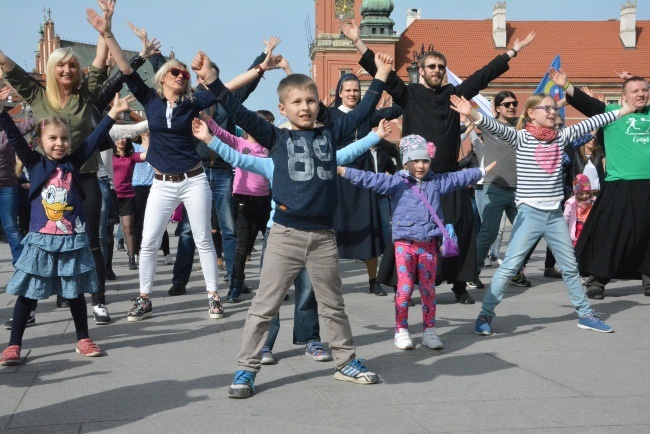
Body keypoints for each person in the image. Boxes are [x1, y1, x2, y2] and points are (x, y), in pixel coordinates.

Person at [200, 49, 394, 398]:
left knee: (332, 303)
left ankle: (345, 361)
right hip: (285, 234)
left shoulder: (330, 135)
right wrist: (213, 82)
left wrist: (379, 76)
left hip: (323, 236)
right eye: (296, 102)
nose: (305, 107)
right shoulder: (276, 138)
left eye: (310, 101)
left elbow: (364, 111)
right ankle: (246, 369)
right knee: (264, 305)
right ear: (283, 109)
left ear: (320, 104)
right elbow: (237, 109)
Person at [342, 21, 535, 304]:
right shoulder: (408, 94)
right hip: (416, 179)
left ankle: (459, 285)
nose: (436, 71)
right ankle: (404, 285)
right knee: (410, 233)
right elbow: (378, 70)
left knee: (463, 228)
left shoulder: (453, 95)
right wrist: (358, 41)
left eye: (440, 67)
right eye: (431, 66)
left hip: (448, 176)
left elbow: (482, 77)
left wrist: (511, 52)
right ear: (421, 71)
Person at [450, 92, 633, 335]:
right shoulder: (521, 138)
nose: (552, 112)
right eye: (545, 108)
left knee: (570, 267)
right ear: (531, 114)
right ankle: (485, 315)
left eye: (553, 109)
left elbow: (594, 122)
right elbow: (493, 126)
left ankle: (585, 314)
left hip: (554, 214)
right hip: (529, 213)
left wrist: (623, 111)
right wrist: (471, 112)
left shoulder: (561, 136)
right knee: (509, 267)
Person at [0, 90, 133, 366]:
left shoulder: (73, 163)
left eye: (64, 139)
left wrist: (111, 115)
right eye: (52, 139)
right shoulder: (35, 163)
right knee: (28, 295)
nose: (59, 144)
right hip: (40, 240)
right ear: (39, 142)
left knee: (74, 292)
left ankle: (82, 338)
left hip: (70, 239)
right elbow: (14, 136)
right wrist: (2, 110)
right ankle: (14, 345)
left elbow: (94, 140)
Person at [0, 14, 113, 322]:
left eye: (72, 65)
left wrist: (105, 30)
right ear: (51, 69)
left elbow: (101, 61)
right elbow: (11, 68)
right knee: (41, 242)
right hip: (47, 181)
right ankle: (29, 308)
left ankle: (99, 301)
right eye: (61, 65)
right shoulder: (37, 94)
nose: (67, 70)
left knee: (92, 241)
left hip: (84, 175)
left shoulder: (85, 93)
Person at [338, 134, 493, 350]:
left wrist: (482, 171)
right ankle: (401, 330)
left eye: (425, 161)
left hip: (429, 244)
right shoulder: (396, 182)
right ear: (406, 162)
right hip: (404, 244)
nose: (420, 166)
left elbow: (459, 178)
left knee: (428, 289)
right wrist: (342, 171)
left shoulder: (437, 182)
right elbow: (370, 179)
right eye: (415, 161)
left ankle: (429, 331)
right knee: (405, 288)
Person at [550, 69, 650, 300]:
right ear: (624, 97)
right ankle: (597, 280)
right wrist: (567, 86)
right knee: (608, 233)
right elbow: (587, 105)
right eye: (635, 91)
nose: (641, 94)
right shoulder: (613, 112)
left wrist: (632, 78)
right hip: (620, 182)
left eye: (645, 90)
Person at [319, 73, 402, 297]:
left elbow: (398, 108)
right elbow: (311, 102)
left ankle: (373, 280)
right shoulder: (330, 114)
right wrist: (289, 70)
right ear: (339, 92)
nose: (352, 94)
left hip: (363, 173)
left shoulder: (367, 115)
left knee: (369, 225)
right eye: (348, 90)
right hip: (337, 173)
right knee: (334, 228)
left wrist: (402, 86)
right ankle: (330, 282)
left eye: (356, 90)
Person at [471, 91, 533, 289]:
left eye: (514, 103)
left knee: (525, 234)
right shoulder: (490, 126)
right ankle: (472, 273)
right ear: (497, 108)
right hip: (495, 187)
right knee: (488, 234)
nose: (512, 107)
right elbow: (471, 115)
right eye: (506, 104)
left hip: (519, 190)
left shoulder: (522, 127)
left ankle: (515, 273)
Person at [112, 136, 146, 270]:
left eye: (123, 138)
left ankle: (132, 257)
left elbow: (146, 155)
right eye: (117, 138)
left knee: (128, 227)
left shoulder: (131, 157)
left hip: (127, 196)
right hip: (112, 195)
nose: (120, 140)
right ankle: (106, 263)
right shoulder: (109, 155)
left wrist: (147, 140)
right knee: (107, 231)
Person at [563, 174, 595, 247]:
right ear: (576, 192)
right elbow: (565, 219)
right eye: (581, 193)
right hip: (576, 233)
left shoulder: (593, 200)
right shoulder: (571, 203)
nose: (585, 196)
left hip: (589, 233)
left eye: (587, 193)